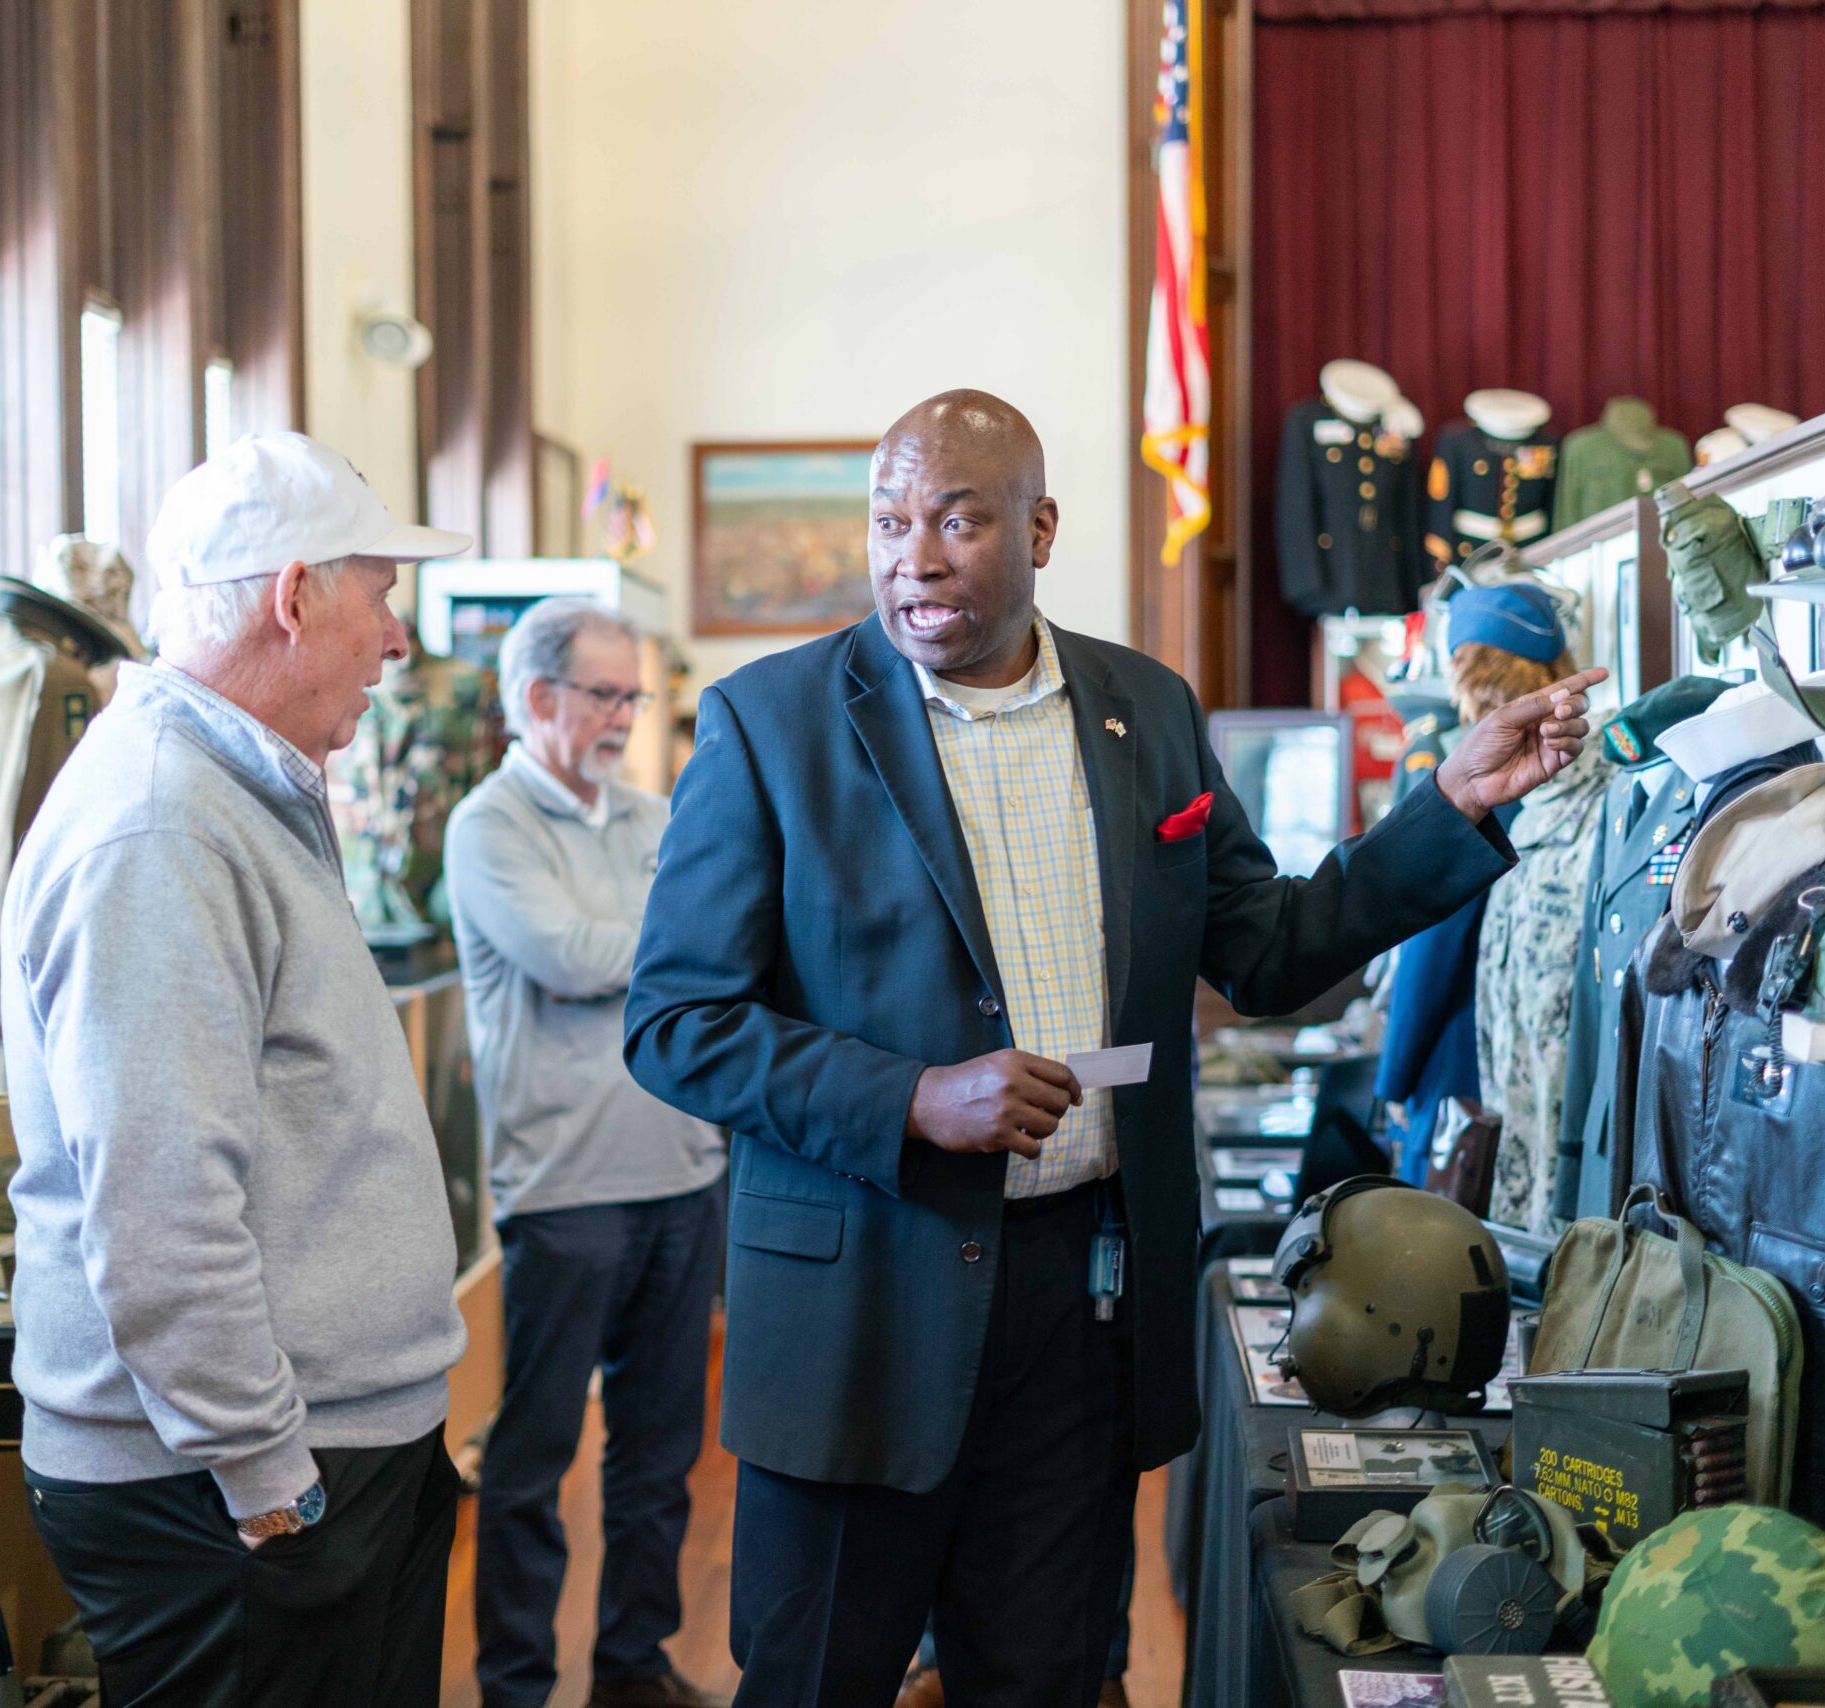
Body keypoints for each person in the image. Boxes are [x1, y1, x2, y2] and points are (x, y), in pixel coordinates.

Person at [624, 391, 1599, 1707]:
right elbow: (677, 1023)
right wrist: (909, 1099)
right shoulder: (769, 726)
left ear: (1039, 529)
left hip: (1081, 1313)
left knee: (1051, 1679)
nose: (912, 556)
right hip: (863, 1315)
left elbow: (1270, 950)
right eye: (890, 520)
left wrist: (1448, 806)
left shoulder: (1145, 709)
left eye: (957, 520)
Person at [2, 431, 475, 1708]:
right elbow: (159, 1208)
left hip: (315, 1449)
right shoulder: (162, 820)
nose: (395, 640)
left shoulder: (237, 787)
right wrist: (271, 1486)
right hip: (233, 1483)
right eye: (380, 596)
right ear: (292, 595)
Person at [445, 598, 730, 1708]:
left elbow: (732, 936)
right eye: (604, 694)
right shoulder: (488, 827)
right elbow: (563, 956)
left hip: (684, 1172)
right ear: (535, 698)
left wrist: (679, 937)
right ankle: (516, 1684)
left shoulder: (655, 816)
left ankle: (632, 1669)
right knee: (531, 1464)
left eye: (632, 694)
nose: (623, 716)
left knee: (659, 1463)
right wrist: (679, 938)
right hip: (565, 1193)